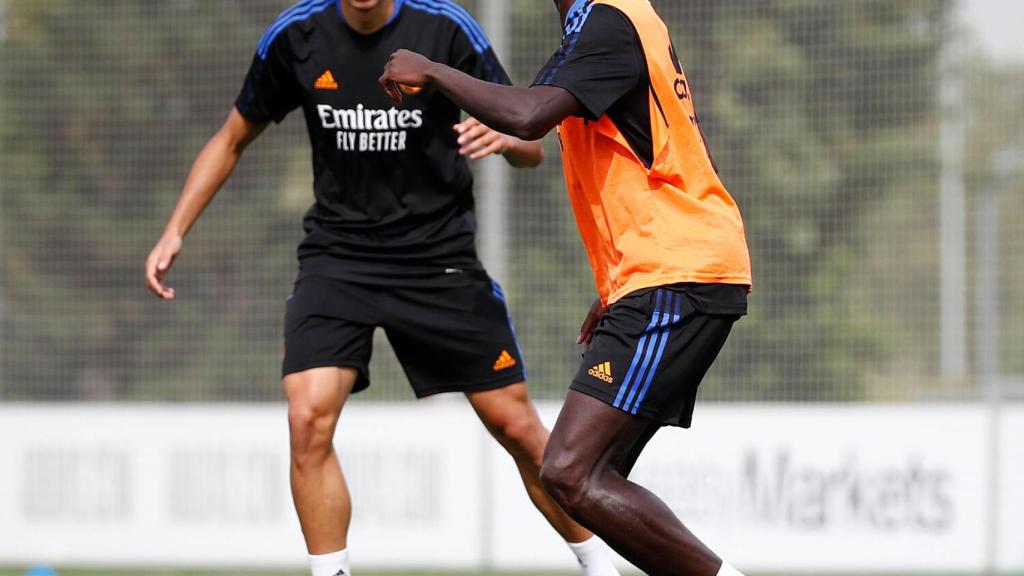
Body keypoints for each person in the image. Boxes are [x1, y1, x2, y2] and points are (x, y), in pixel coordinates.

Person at [144, 1, 621, 575]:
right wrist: (174, 230)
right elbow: (230, 140)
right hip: (337, 259)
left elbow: (531, 146)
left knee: (515, 426)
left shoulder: (445, 28)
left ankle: (600, 567)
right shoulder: (295, 36)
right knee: (306, 419)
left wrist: (503, 142)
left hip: (437, 259)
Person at [379, 0, 753, 574]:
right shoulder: (606, 20)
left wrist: (432, 71)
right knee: (594, 482)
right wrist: (613, 282)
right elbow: (643, 152)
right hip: (659, 272)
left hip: (678, 273)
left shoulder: (609, 17)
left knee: (568, 470)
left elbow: (529, 116)